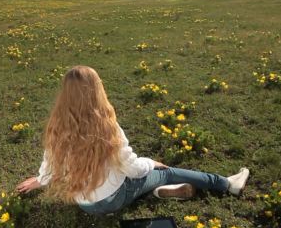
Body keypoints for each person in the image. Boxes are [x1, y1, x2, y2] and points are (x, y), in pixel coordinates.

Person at [15, 66, 250, 215]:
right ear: (98, 90)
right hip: (114, 199)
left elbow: (50, 164)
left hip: (85, 206)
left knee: (146, 180)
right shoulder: (108, 127)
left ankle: (163, 191)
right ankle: (227, 184)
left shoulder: (58, 127)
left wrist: (39, 180)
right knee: (166, 171)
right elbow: (133, 169)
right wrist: (152, 163)